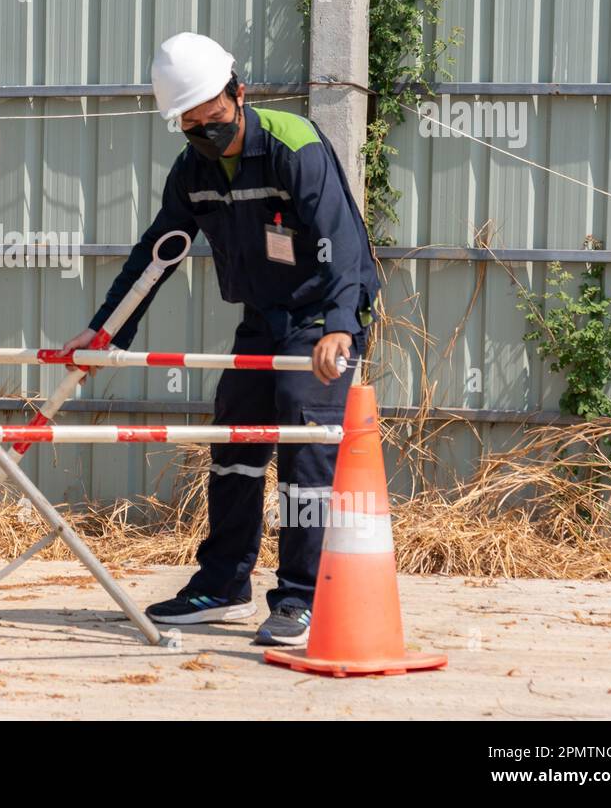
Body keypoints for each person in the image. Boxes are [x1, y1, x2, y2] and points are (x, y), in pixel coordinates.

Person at [60, 32, 380, 645]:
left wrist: (340, 324)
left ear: (240, 93)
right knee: (234, 438)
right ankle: (223, 583)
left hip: (318, 316)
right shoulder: (193, 171)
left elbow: (342, 242)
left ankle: (298, 598)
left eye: (215, 120)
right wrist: (108, 330)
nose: (207, 135)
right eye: (192, 127)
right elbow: (157, 254)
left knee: (302, 449)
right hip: (262, 317)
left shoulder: (295, 145)